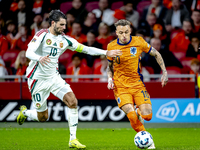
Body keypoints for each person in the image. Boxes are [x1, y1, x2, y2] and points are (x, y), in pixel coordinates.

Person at [16, 9, 122, 149]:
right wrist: (39, 58)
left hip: (54, 77)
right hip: (37, 79)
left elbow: (86, 49)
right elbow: (29, 52)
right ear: (53, 23)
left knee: (72, 101)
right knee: (43, 117)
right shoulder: (41, 35)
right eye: (61, 24)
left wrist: (106, 52)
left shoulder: (65, 40)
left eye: (65, 24)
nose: (64, 27)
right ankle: (24, 112)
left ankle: (73, 139)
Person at [107, 20, 168, 149]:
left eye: (126, 32)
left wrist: (164, 72)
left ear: (130, 31)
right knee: (131, 115)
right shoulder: (111, 46)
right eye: (121, 33)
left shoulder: (139, 42)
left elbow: (156, 54)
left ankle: (139, 110)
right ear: (116, 33)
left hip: (137, 84)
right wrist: (109, 78)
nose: (124, 35)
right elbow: (109, 67)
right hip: (120, 86)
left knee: (148, 116)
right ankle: (148, 141)